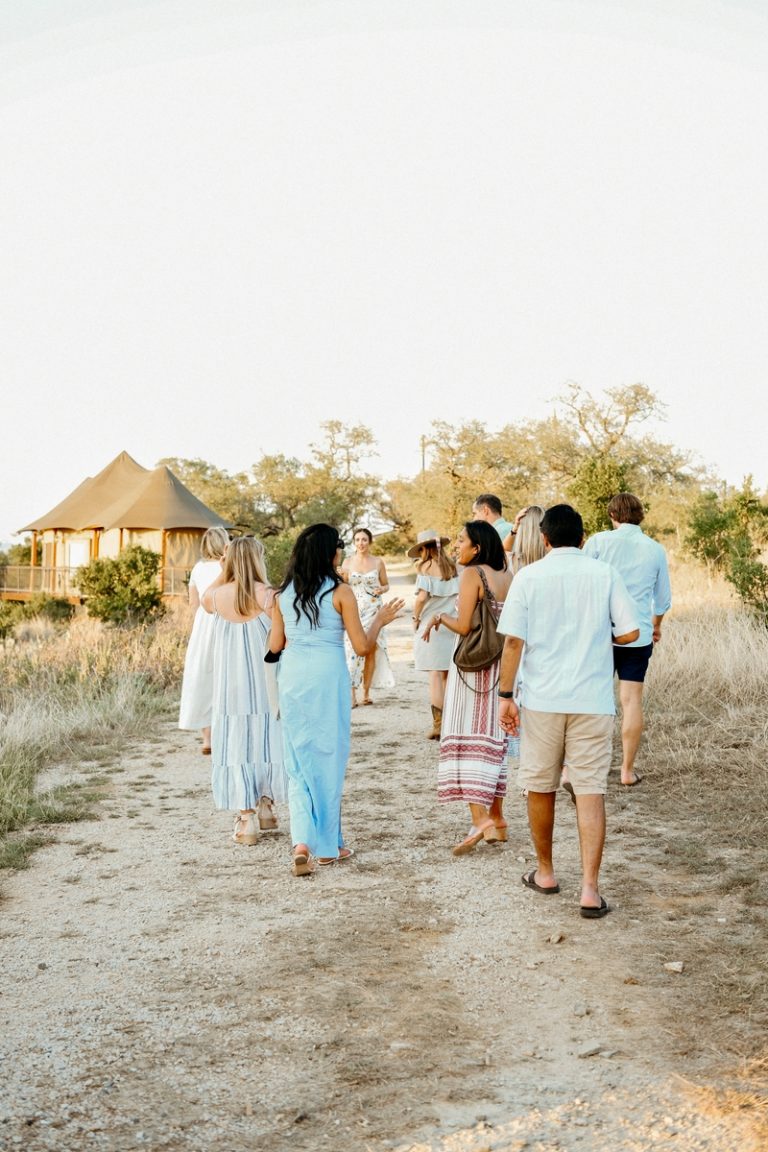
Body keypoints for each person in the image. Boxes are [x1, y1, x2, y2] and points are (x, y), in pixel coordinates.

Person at [497, 504, 639, 918]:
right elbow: (630, 631)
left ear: (543, 538)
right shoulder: (603, 574)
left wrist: (506, 695)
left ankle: (545, 872)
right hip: (591, 699)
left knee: (540, 785)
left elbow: (512, 643)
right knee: (590, 790)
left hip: (542, 698)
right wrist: (597, 638)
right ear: (582, 538)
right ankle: (590, 890)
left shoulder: (529, 576)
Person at [268, 524, 404, 876]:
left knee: (297, 762)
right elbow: (361, 647)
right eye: (339, 548)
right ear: (330, 553)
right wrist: (380, 620)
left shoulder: (282, 595)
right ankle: (328, 848)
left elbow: (274, 646)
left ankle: (302, 842)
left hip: (294, 676)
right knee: (329, 758)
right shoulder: (341, 592)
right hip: (328, 677)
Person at [422, 520, 512, 855]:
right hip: (502, 664)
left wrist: (438, 618)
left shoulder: (472, 574)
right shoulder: (507, 574)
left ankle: (480, 820)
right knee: (493, 738)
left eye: (461, 541)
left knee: (466, 735)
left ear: (477, 547)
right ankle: (499, 820)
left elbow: (462, 625)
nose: (456, 546)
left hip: (475, 667)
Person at [582, 492, 672, 787]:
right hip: (638, 634)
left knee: (593, 699)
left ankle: (585, 767)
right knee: (631, 701)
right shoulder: (655, 549)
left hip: (601, 632)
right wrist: (655, 626)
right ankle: (626, 771)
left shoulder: (597, 542)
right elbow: (662, 601)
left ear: (612, 515)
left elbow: (583, 583)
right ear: (640, 515)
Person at [201, 536, 286, 846]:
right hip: (264, 684)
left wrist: (225, 568)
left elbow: (204, 598)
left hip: (230, 688)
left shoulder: (217, 596)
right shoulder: (269, 596)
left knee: (237, 744)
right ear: (258, 560)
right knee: (266, 740)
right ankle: (267, 806)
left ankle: (246, 819)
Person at [178, 526, 230, 754]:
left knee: (203, 677)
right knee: (225, 677)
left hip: (203, 625)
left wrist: (198, 627)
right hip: (226, 620)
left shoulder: (197, 568)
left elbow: (193, 603)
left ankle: (207, 738)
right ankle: (224, 733)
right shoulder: (228, 565)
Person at [408, 529, 459, 739]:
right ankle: (451, 723)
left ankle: (438, 726)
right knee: (448, 676)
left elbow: (421, 598)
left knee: (435, 676)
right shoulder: (453, 567)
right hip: (451, 625)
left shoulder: (425, 567)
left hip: (433, 626)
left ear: (423, 549)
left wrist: (415, 618)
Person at [341, 527, 395, 706]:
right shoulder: (347, 562)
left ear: (369, 542)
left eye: (364, 539)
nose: (361, 543)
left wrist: (382, 589)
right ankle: (352, 693)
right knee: (352, 651)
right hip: (354, 609)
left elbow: (386, 585)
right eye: (357, 540)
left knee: (371, 651)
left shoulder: (378, 562)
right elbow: (343, 585)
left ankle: (366, 692)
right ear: (353, 542)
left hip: (374, 610)